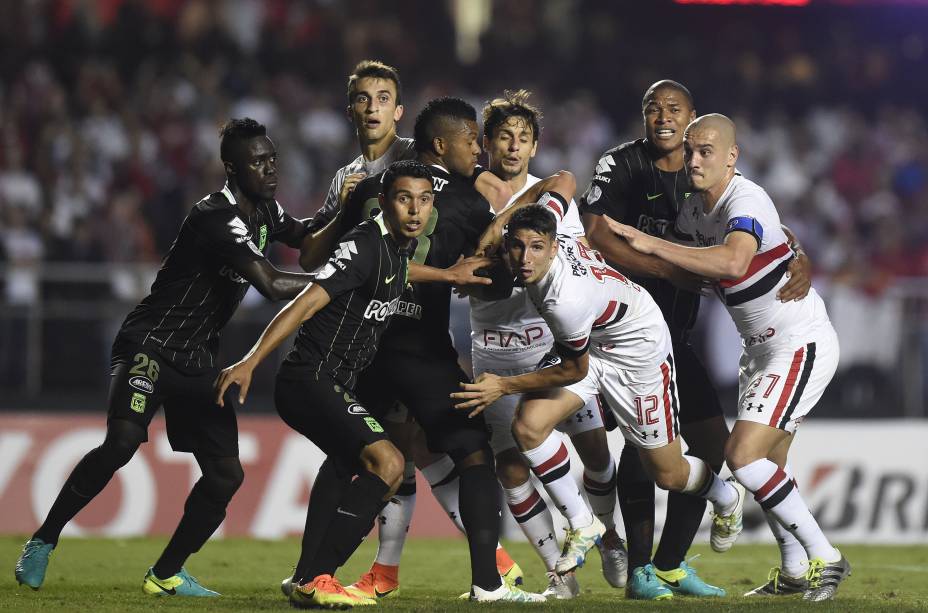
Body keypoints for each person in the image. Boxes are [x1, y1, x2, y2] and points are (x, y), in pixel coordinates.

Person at [14, 118, 321, 596]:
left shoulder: (266, 210)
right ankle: (42, 540)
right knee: (122, 442)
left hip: (197, 359)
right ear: (231, 168)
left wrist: (350, 207)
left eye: (272, 159)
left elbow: (305, 235)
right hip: (151, 344)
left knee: (225, 475)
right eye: (258, 162)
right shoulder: (214, 216)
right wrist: (342, 283)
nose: (270, 168)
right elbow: (272, 282)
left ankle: (166, 574)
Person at [579, 79, 811, 599]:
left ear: (692, 120)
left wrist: (800, 257)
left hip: (676, 335)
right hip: (624, 336)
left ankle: (668, 565)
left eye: (674, 109)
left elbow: (764, 229)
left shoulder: (705, 174)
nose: (663, 117)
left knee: (710, 446)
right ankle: (636, 565)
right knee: (642, 445)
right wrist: (666, 270)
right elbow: (594, 233)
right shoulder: (622, 163)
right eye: (653, 108)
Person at [307, 97, 544, 603]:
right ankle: (488, 582)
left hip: (361, 349)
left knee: (355, 459)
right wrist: (485, 266)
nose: (478, 152)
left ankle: (313, 574)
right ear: (441, 144)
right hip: (420, 349)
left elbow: (330, 259)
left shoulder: (371, 189)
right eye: (470, 142)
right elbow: (492, 282)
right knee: (472, 452)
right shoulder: (466, 200)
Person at [454, 197, 748, 585]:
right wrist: (499, 224)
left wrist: (503, 385)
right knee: (527, 427)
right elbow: (560, 182)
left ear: (554, 247)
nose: (526, 258)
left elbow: (573, 370)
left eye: (536, 247)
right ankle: (583, 522)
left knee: (668, 473)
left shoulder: (565, 301)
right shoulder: (554, 236)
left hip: (637, 351)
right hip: (595, 342)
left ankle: (726, 495)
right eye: (518, 246)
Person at [216, 160, 435, 609]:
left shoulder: (399, 250)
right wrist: (251, 360)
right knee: (389, 464)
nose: (415, 209)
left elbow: (401, 276)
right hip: (310, 377)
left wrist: (453, 274)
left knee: (342, 465)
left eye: (424, 199)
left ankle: (304, 576)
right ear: (384, 203)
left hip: (335, 381)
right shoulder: (365, 244)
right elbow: (305, 302)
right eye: (404, 198)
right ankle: (318, 579)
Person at [472, 90, 627, 599]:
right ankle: (562, 574)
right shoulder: (466, 197)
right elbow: (470, 276)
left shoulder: (553, 197)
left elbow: (572, 257)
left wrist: (500, 232)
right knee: (511, 465)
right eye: (504, 137)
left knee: (595, 451)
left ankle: (609, 538)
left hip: (555, 343)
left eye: (523, 137)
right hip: (495, 346)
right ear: (487, 143)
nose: (513, 146)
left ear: (535, 146)